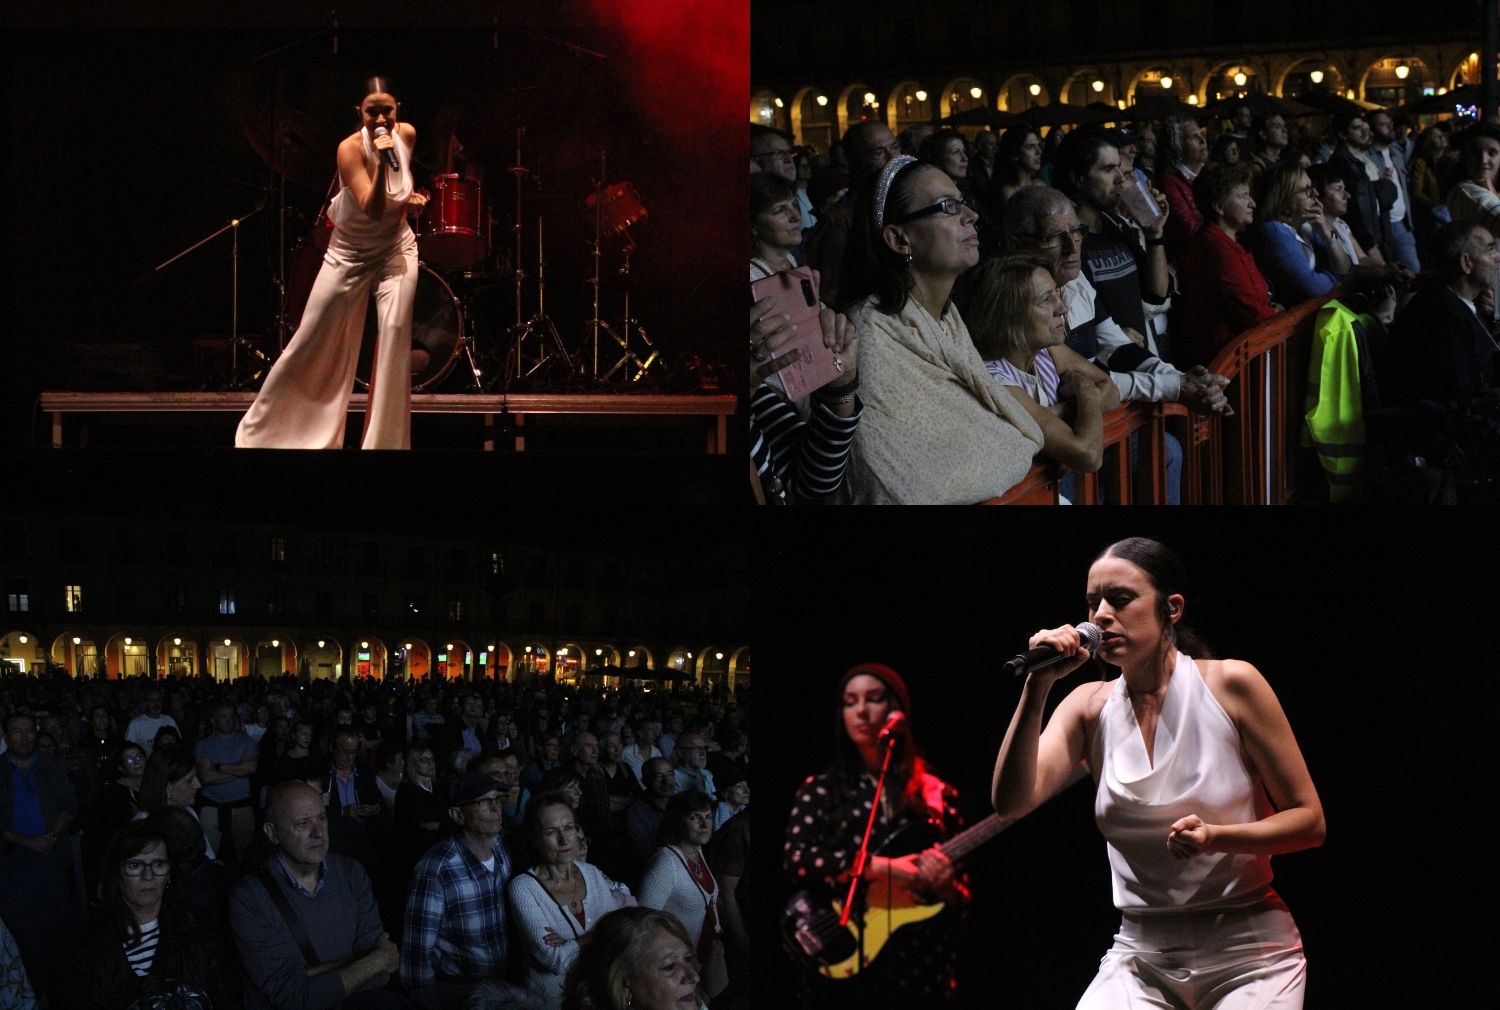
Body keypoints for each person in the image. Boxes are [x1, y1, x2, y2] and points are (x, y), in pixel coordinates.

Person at [990, 537, 1325, 1009]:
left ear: (1172, 608)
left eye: (1121, 599)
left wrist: (1216, 837)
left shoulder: (1232, 684)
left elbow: (1310, 823)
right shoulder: (1088, 707)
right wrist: (1037, 686)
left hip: (1249, 950)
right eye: (1092, 603)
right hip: (1140, 954)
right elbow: (1012, 801)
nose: (1100, 616)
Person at [236, 76, 429, 449]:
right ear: (360, 113)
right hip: (350, 252)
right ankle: (275, 433)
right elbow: (372, 208)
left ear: (397, 111)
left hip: (395, 250)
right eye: (372, 112)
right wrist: (382, 164)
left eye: (387, 111)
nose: (381, 119)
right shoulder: (349, 150)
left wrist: (410, 199)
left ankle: (384, 446)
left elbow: (401, 186)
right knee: (315, 335)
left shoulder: (405, 135)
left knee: (395, 331)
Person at [839, 155, 1044, 502]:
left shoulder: (946, 317)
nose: (971, 216)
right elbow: (902, 487)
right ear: (899, 239)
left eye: (963, 202)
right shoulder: (868, 335)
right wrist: (1005, 443)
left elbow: (1003, 440)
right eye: (948, 207)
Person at [783, 663, 967, 1007]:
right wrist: (881, 867)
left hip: (919, 967)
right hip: (840, 960)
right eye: (850, 702)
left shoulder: (937, 794)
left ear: (896, 709)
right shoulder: (820, 790)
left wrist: (944, 885)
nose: (862, 711)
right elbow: (797, 860)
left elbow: (965, 897)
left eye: (874, 699)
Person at [229, 781, 400, 1009]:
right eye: (303, 823)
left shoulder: (352, 873)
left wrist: (313, 979)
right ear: (272, 833)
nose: (319, 832)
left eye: (322, 818)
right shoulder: (249, 899)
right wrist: (373, 961)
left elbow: (381, 976)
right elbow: (290, 997)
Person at [749, 172, 863, 503]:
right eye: (778, 210)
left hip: (814, 396)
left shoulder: (793, 265)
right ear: (753, 225)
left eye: (792, 205)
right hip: (778, 399)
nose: (794, 215)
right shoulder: (752, 280)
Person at [54, 820, 241, 1010]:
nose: (148, 876)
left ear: (169, 873)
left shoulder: (199, 930)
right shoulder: (88, 946)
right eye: (135, 865)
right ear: (117, 873)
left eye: (158, 864)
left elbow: (228, 998)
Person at [963, 255, 1119, 483]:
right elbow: (1088, 454)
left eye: (1057, 294)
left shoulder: (1048, 350)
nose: (1062, 308)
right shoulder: (996, 379)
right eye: (1047, 300)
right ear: (1011, 314)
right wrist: (1085, 389)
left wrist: (1052, 418)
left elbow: (1111, 391)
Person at [506, 792, 637, 1010]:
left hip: (597, 992)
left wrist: (571, 943)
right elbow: (555, 960)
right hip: (552, 1000)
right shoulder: (523, 887)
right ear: (534, 838)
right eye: (551, 831)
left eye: (569, 828)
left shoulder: (592, 873)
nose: (564, 839)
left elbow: (617, 935)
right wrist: (598, 932)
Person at [400, 771, 512, 1007]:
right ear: (458, 815)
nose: (495, 808)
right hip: (458, 989)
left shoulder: (501, 846)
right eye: (483, 802)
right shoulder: (436, 869)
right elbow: (416, 956)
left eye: (498, 800)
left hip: (501, 981)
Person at [1175, 162, 1278, 368]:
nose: (1252, 204)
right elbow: (1253, 312)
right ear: (1219, 206)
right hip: (1226, 361)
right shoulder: (1215, 247)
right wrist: (1279, 315)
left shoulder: (1229, 241)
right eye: (1242, 196)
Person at [637, 792, 726, 1003]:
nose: (705, 824)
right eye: (695, 817)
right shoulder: (665, 864)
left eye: (708, 816)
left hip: (704, 955)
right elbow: (642, 921)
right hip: (679, 964)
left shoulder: (698, 851)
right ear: (678, 822)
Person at [558, 907, 705, 1010]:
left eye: (687, 958)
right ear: (622, 981)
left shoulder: (696, 1002)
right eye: (669, 966)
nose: (694, 977)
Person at [1246, 162, 1347, 306]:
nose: (1315, 194)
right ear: (1284, 199)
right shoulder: (1273, 230)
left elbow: (1348, 269)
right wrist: (1336, 276)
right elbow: (1313, 287)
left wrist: (1327, 232)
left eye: (1312, 187)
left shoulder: (1306, 226)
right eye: (1306, 190)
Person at [194, 700, 259, 863]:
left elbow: (251, 768)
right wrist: (239, 769)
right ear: (213, 720)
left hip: (242, 806)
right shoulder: (204, 745)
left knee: (246, 853)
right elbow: (206, 777)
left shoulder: (246, 741)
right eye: (223, 716)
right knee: (208, 853)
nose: (228, 720)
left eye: (231, 716)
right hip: (212, 806)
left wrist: (220, 767)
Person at [621, 758, 676, 886]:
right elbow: (645, 854)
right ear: (645, 782)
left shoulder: (680, 804)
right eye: (659, 776)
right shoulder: (636, 813)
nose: (666, 781)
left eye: (670, 774)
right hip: (656, 876)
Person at [995, 127, 1045, 211]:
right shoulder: (1009, 192)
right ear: (1014, 154)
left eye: (1038, 145)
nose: (1039, 151)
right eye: (1030, 147)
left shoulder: (1041, 185)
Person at [124, 691, 178, 757]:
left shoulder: (169, 720)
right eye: (151, 700)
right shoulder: (135, 724)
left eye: (158, 700)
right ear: (145, 703)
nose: (156, 704)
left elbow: (178, 742)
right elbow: (129, 748)